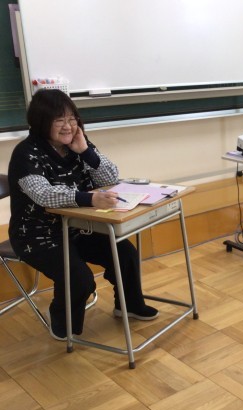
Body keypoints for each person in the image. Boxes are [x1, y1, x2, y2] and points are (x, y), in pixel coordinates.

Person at [8, 89, 158, 341]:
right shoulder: (26, 153)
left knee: (125, 253)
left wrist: (86, 151)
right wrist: (88, 198)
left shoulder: (78, 144)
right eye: (59, 120)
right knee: (80, 279)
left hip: (78, 228)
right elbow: (43, 194)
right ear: (41, 121)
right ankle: (63, 322)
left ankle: (130, 305)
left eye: (72, 118)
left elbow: (111, 177)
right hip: (37, 236)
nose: (68, 126)